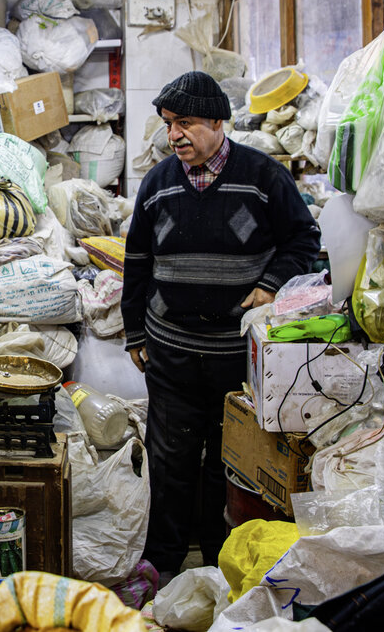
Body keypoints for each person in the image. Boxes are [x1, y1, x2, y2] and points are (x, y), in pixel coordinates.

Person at [122, 70, 320, 583]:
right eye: (168, 125)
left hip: (237, 357)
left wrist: (273, 284)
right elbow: (138, 259)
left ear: (217, 121)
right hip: (172, 352)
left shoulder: (263, 177)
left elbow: (304, 239)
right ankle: (161, 567)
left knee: (227, 463)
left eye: (184, 123)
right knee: (170, 463)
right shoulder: (158, 183)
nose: (174, 136)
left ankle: (219, 565)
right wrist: (135, 333)